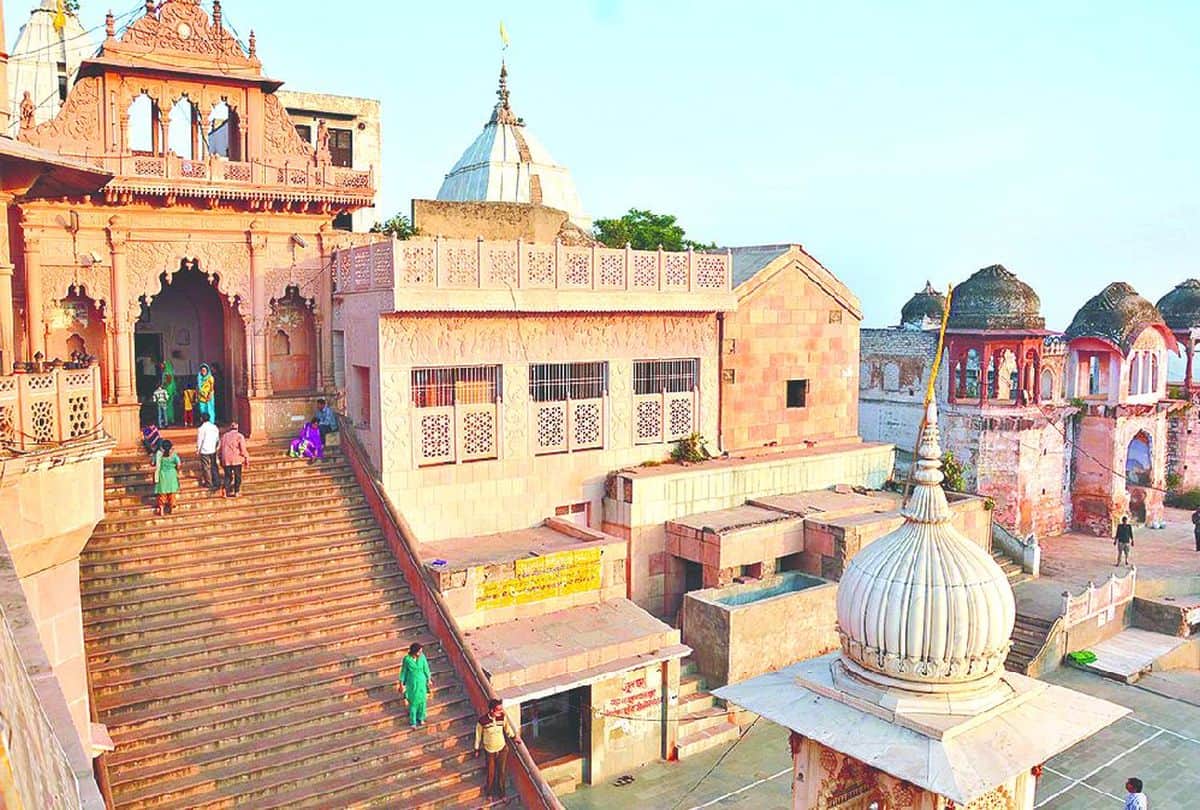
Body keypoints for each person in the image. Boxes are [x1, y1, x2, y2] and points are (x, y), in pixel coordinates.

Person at [475, 698, 517, 800]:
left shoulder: (502, 717)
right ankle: (489, 792)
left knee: (501, 772)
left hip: (502, 748)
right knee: (491, 772)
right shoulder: (482, 721)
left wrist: (514, 737)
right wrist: (476, 749)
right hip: (490, 750)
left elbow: (507, 729)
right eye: (498, 709)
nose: (501, 711)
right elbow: (478, 735)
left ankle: (502, 794)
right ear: (492, 710)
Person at [398, 642, 433, 728]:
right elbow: (403, 672)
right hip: (412, 683)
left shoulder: (422, 657)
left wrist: (429, 679)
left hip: (422, 682)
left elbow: (426, 668)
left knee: (422, 701)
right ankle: (413, 721)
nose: (420, 653)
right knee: (413, 702)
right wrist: (401, 684)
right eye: (419, 652)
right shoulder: (407, 659)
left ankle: (421, 718)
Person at [218, 421, 249, 498]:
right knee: (237, 476)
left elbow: (220, 449)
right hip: (236, 459)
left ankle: (225, 489)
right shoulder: (239, 436)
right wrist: (246, 458)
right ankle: (237, 491)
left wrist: (220, 458)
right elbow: (243, 449)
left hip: (226, 459)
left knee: (228, 476)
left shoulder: (224, 436)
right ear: (237, 428)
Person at [153, 440, 181, 515]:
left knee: (162, 493)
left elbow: (153, 463)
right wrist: (176, 470)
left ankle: (161, 509)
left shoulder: (159, 455)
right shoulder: (174, 455)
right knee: (172, 493)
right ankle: (172, 508)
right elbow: (179, 464)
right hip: (172, 475)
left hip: (162, 475)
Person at [196, 414, 221, 493]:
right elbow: (217, 438)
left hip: (205, 449)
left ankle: (209, 482)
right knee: (214, 465)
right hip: (212, 448)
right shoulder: (214, 427)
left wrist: (198, 449)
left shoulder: (201, 428)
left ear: (202, 419)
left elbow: (200, 440)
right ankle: (217, 481)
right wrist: (217, 447)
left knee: (206, 466)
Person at [160, 360, 177, 425]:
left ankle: (168, 419)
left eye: (163, 364)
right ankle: (169, 419)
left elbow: (168, 381)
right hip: (168, 390)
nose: (161, 366)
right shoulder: (168, 372)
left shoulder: (167, 372)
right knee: (169, 405)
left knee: (167, 405)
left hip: (168, 391)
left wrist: (162, 386)